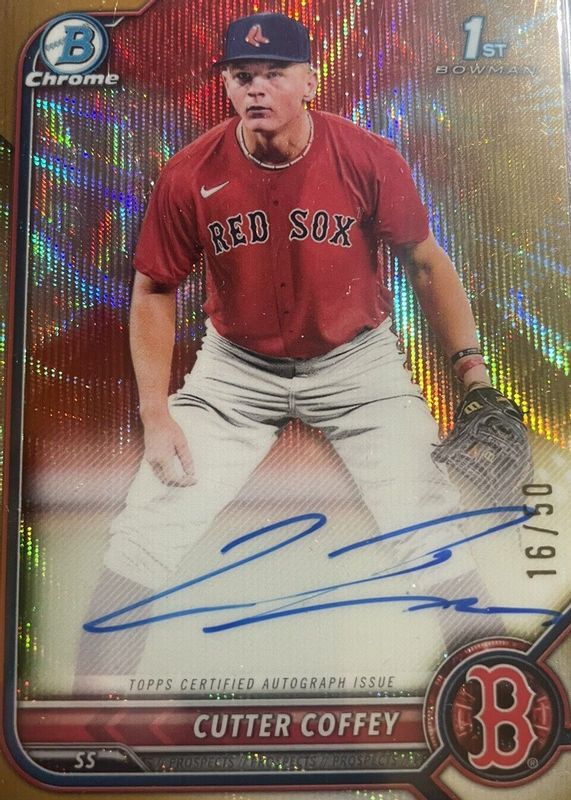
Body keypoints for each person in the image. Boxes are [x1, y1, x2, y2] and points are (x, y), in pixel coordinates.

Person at [75, 12, 499, 686]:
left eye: (274, 73)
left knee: (427, 521)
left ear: (308, 81)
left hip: (357, 368)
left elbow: (424, 261)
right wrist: (155, 413)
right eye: (242, 74)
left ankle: (495, 690)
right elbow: (154, 289)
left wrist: (471, 373)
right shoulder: (190, 173)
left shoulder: (366, 156)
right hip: (236, 374)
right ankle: (93, 710)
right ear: (225, 85)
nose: (256, 88)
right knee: (147, 525)